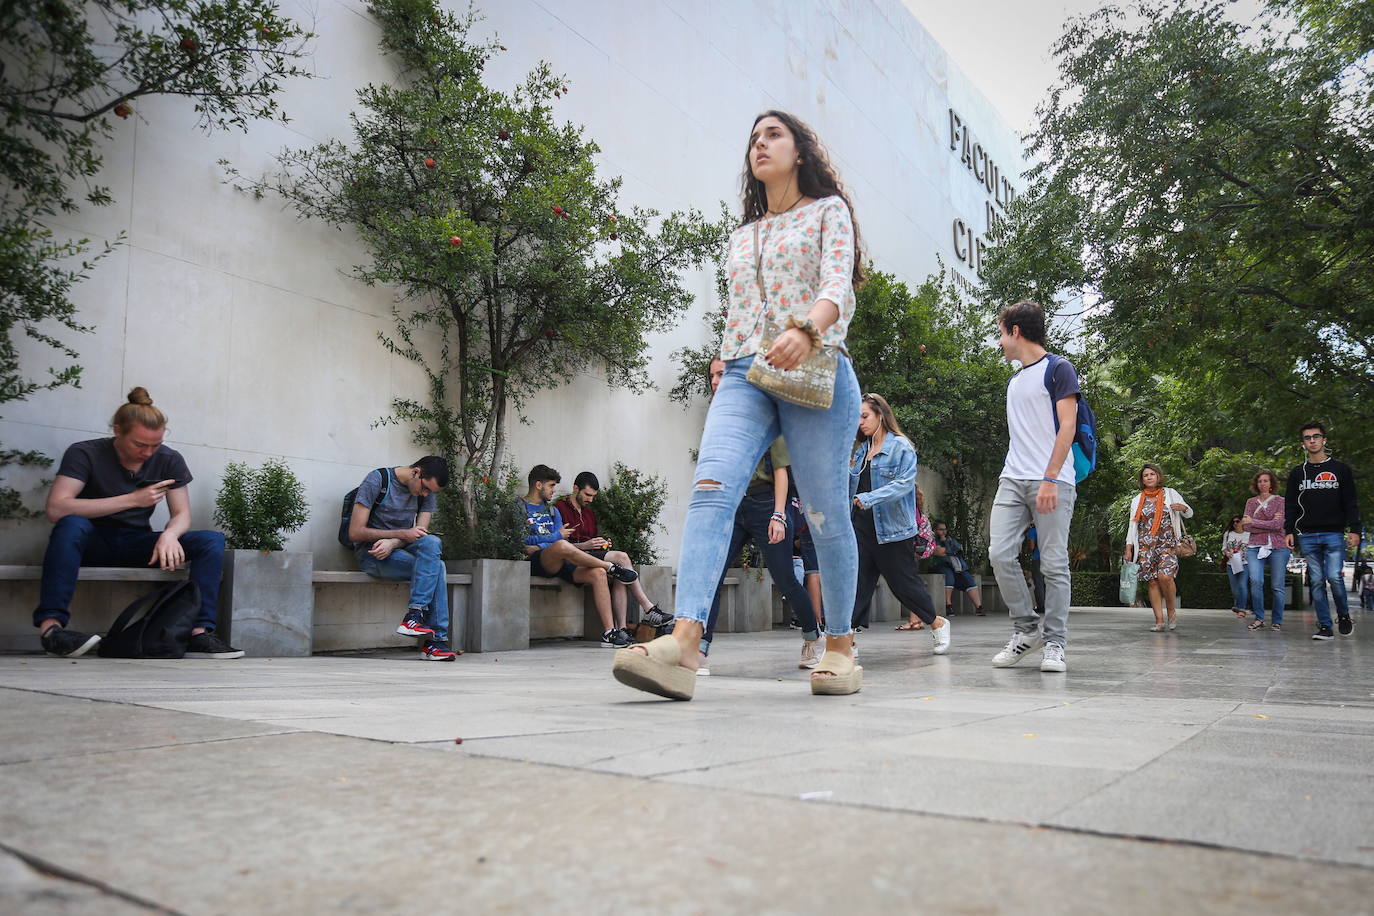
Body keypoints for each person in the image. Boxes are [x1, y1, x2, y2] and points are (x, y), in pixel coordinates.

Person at [613, 109, 863, 699]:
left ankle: (840, 647)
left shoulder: (827, 211)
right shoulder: (742, 235)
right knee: (711, 488)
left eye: (773, 134)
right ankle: (684, 642)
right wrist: (725, 357)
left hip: (814, 367)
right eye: (753, 138)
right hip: (745, 372)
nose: (760, 144)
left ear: (800, 150)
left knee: (824, 513)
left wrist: (807, 328)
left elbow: (837, 284)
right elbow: (741, 309)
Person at [33, 387, 237, 659]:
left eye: (155, 445)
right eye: (140, 445)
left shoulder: (169, 459)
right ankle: (52, 630)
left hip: (136, 543)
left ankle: (198, 633)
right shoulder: (85, 453)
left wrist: (170, 535)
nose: (148, 453)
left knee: (211, 540)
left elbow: (182, 514)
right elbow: (57, 508)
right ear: (118, 431)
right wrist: (132, 499)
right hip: (90, 542)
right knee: (71, 525)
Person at [987, 301, 1080, 673]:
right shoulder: (1014, 380)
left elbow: (1068, 426)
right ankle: (1026, 630)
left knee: (1054, 564)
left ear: (1015, 331)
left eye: (1000, 333)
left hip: (1053, 480)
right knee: (999, 554)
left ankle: (1055, 642)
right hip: (1012, 478)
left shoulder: (1058, 369)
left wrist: (1050, 478)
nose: (999, 342)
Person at [699, 435, 826, 671]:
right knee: (712, 576)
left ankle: (813, 636)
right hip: (734, 504)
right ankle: (700, 650)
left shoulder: (769, 427)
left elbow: (781, 471)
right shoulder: (727, 429)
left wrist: (778, 514)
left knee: (785, 579)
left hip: (766, 504)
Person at [849, 394, 949, 654]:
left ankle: (936, 623)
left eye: (865, 416)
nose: (860, 422)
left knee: (903, 585)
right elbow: (850, 485)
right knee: (857, 584)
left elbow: (903, 485)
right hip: (861, 528)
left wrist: (869, 498)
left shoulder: (901, 447)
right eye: (857, 417)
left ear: (880, 415)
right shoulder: (860, 450)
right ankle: (846, 641)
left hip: (892, 530)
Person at [347, 456, 457, 661]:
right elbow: (355, 532)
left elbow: (420, 534)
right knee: (438, 567)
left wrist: (393, 542)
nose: (426, 494)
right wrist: (399, 536)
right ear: (416, 472)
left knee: (432, 543)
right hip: (372, 553)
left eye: (431, 492)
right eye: (425, 489)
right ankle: (435, 642)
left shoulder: (426, 493)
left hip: (398, 547)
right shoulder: (378, 480)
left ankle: (414, 615)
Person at [523, 465, 640, 648]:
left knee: (598, 573)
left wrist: (545, 542)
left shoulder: (552, 511)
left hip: (562, 558)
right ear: (539, 485)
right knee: (562, 545)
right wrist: (551, 540)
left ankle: (610, 632)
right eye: (551, 486)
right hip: (540, 561)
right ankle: (611, 567)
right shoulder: (519, 507)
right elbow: (523, 540)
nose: (554, 490)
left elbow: (560, 538)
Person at [553, 471, 673, 643]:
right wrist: (584, 546)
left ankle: (622, 628)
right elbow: (559, 546)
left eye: (593, 496)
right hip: (573, 557)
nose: (590, 500)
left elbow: (592, 541)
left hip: (591, 555)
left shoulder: (588, 513)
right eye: (587, 495)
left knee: (621, 569)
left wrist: (602, 544)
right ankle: (648, 608)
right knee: (622, 558)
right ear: (575, 488)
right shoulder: (559, 508)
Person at [1284, 422, 1361, 640]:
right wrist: (1288, 530)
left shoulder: (1340, 470)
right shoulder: (1298, 473)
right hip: (1307, 535)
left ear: (1324, 440)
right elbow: (1290, 505)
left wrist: (1355, 529)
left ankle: (1344, 615)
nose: (1312, 441)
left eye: (1316, 436)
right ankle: (1325, 626)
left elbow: (1351, 502)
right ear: (1303, 443)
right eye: (1307, 438)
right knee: (1316, 581)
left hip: (1334, 533)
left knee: (1334, 577)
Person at [1124, 464, 1193, 632]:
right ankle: (1159, 621)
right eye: (1145, 475)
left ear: (1158, 476)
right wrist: (1128, 547)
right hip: (1146, 546)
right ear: (1142, 480)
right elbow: (1132, 526)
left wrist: (1183, 508)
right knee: (1153, 582)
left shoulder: (1170, 493)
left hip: (1167, 543)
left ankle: (1171, 611)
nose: (1149, 477)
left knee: (1165, 577)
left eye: (1152, 474)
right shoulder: (1137, 499)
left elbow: (1189, 513)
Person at [1241, 470, 1289, 632]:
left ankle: (1277, 620)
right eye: (1260, 481)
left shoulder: (1280, 501)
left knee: (1277, 586)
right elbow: (1246, 526)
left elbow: (1278, 525)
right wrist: (1268, 523)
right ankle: (1259, 618)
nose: (1262, 483)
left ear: (1271, 483)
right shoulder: (1251, 502)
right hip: (1255, 546)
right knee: (1256, 581)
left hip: (1278, 547)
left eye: (1266, 481)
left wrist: (1254, 521)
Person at [896, 485, 933, 630]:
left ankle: (915, 620)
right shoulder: (917, 509)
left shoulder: (910, 509)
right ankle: (916, 620)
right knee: (911, 582)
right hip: (915, 551)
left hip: (909, 550)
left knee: (910, 584)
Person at [929, 521, 985, 616]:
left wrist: (946, 547)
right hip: (939, 565)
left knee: (968, 578)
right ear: (934, 530)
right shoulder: (932, 540)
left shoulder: (950, 540)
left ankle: (979, 607)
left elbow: (959, 549)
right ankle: (948, 605)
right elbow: (938, 551)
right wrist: (950, 550)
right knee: (949, 577)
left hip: (955, 566)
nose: (943, 532)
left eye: (945, 529)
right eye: (941, 530)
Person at [1221, 514, 1250, 619]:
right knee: (1235, 589)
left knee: (1242, 585)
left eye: (1237, 521)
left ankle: (1242, 609)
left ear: (1243, 522)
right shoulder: (1228, 534)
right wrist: (1227, 553)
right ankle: (1239, 605)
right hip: (1231, 564)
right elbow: (1224, 547)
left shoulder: (1249, 534)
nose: (1235, 523)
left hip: (1245, 564)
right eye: (1233, 522)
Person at [1023, 525, 1046, 615]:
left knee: (1038, 581)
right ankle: (1049, 605)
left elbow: (1032, 546)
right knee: (1047, 582)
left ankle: (1041, 606)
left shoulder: (1033, 530)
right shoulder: (1046, 529)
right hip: (1048, 557)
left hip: (1037, 557)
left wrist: (1027, 549)